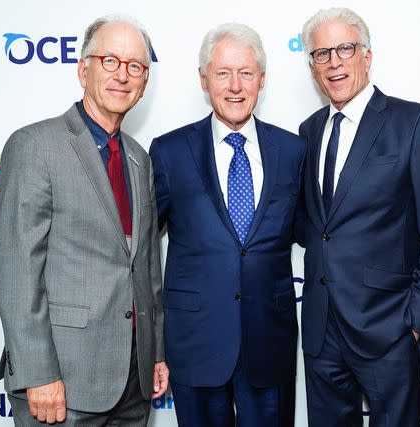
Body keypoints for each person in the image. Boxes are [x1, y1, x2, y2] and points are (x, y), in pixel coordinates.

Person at [0, 14, 168, 426]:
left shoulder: (139, 158)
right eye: (109, 60)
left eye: (135, 67)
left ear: (144, 83)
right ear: (81, 69)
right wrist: (39, 373)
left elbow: (145, 269)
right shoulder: (35, 145)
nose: (122, 75)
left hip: (132, 382)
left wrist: (155, 351)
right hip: (62, 383)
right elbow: (17, 269)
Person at [297, 7, 420, 426]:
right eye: (321, 54)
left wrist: (416, 321)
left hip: (389, 330)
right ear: (312, 67)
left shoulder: (415, 122)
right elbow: (316, 228)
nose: (334, 62)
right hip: (321, 332)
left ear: (366, 56)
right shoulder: (308, 131)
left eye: (345, 49)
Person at [149, 23, 306, 427]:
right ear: (204, 80)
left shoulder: (293, 150)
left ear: (262, 80)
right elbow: (141, 251)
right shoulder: (168, 152)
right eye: (222, 73)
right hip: (195, 344)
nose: (235, 86)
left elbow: (315, 234)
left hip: (269, 344)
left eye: (246, 73)